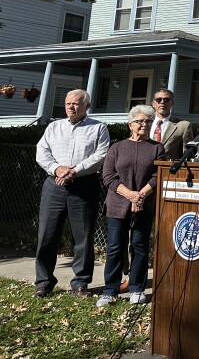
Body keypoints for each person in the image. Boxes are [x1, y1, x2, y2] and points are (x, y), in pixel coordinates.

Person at [34, 89, 110, 297]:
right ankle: (43, 282)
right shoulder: (53, 127)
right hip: (54, 185)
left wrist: (74, 170)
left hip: (84, 186)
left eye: (76, 103)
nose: (71, 107)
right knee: (46, 236)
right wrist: (57, 169)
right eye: (68, 103)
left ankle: (80, 283)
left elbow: (101, 154)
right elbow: (42, 152)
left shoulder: (98, 128)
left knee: (83, 237)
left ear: (87, 106)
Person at [97, 105, 166, 307]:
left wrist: (141, 196)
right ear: (130, 124)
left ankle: (137, 289)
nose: (144, 124)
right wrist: (130, 195)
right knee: (115, 247)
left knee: (139, 247)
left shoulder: (157, 148)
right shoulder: (116, 148)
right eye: (140, 121)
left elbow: (158, 175)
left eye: (148, 121)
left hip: (144, 205)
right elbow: (108, 176)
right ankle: (110, 290)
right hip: (118, 204)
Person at [150, 88, 193, 160]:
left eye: (166, 100)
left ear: (172, 103)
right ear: (153, 104)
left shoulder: (183, 126)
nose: (162, 102)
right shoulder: (144, 123)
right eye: (159, 100)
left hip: (167, 169)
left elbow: (186, 155)